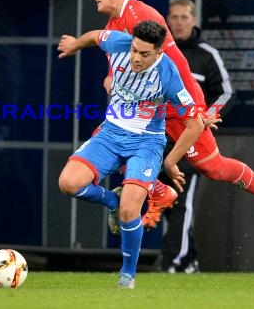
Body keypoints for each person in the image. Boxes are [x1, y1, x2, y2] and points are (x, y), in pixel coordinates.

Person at [58, 0, 254, 248]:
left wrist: (195, 112)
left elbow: (177, 66)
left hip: (178, 104)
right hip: (150, 109)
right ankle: (158, 190)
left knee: (215, 167)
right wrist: (91, 60)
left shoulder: (142, 16)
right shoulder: (114, 23)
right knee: (107, 139)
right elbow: (104, 44)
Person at [57, 20, 211, 288]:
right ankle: (111, 202)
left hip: (146, 143)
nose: (136, 58)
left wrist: (171, 161)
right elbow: (95, 36)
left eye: (144, 54)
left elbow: (194, 124)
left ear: (159, 53)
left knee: (131, 210)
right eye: (135, 51)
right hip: (110, 135)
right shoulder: (120, 42)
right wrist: (74, 44)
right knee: (68, 184)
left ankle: (127, 275)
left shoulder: (168, 73)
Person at [157, 0, 235, 274]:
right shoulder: (158, 51)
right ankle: (188, 258)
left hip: (191, 143)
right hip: (159, 142)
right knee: (165, 201)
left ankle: (173, 262)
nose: (178, 22)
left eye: (184, 17)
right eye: (174, 17)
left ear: (194, 20)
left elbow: (226, 92)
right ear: (167, 19)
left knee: (181, 203)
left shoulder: (206, 54)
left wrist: (205, 117)